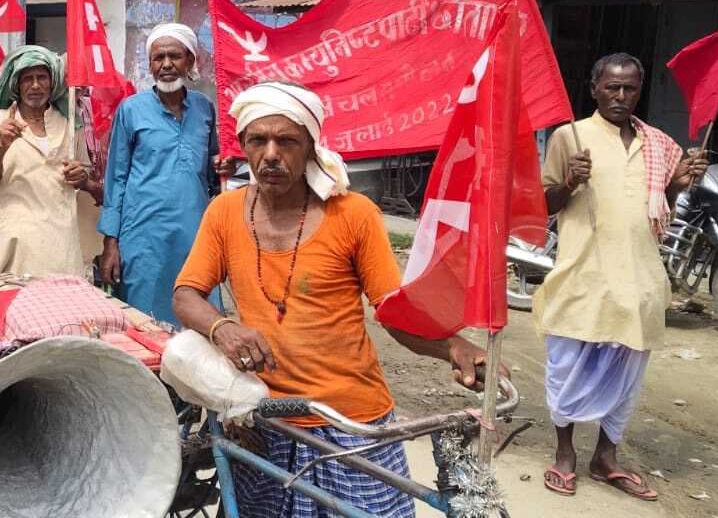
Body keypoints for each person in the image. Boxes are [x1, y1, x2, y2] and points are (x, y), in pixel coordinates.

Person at [174, 82, 501, 518]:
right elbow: (186, 294)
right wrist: (223, 328)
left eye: (286, 141)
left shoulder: (353, 214)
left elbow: (392, 311)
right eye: (258, 140)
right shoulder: (225, 211)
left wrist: (452, 346)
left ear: (311, 147)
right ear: (244, 147)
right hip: (264, 415)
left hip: (348, 418)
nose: (270, 154)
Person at [536, 53, 706, 502]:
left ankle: (606, 457)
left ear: (640, 90)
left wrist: (678, 184)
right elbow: (543, 205)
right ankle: (566, 454)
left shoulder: (657, 143)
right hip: (583, 275)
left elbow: (657, 205)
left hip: (639, 278)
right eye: (612, 87)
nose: (621, 96)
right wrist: (569, 181)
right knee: (567, 367)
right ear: (594, 89)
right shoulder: (569, 137)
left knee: (626, 374)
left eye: (630, 88)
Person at [98, 23, 217, 322]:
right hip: (143, 237)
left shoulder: (205, 109)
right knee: (144, 320)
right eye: (157, 58)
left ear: (189, 61)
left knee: (197, 316)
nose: (166, 65)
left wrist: (221, 166)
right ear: (149, 64)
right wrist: (111, 243)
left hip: (194, 234)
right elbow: (116, 179)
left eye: (174, 56)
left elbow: (211, 173)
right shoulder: (131, 110)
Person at [0, 45, 100, 277]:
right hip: (18, 249)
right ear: (16, 86)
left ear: (52, 84)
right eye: (27, 79)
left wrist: (83, 179)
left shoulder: (69, 123)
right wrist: (2, 146)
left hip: (63, 248)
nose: (35, 85)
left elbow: (87, 180)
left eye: (42, 77)